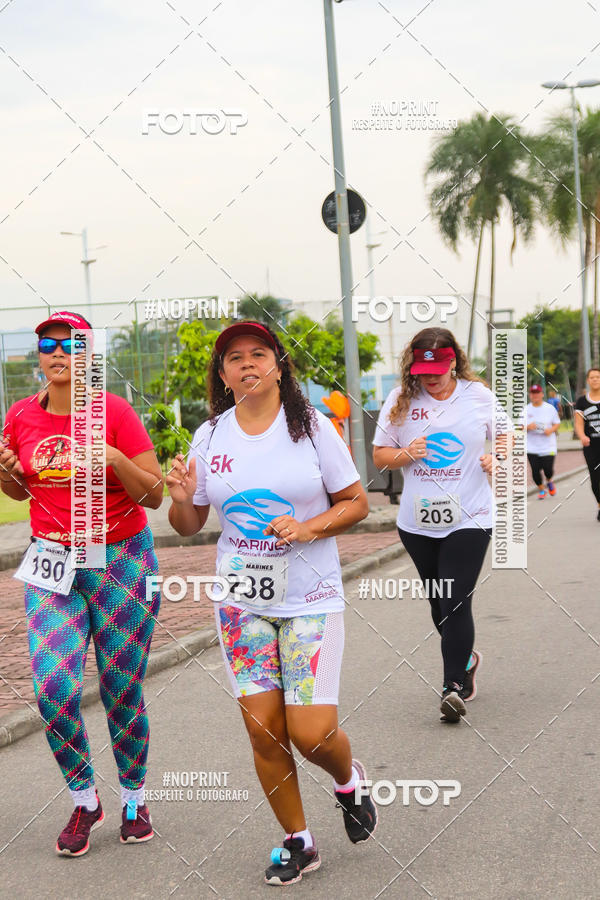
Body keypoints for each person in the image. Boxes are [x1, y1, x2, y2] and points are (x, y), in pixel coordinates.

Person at [167, 320, 377, 886]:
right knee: (263, 731)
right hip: (241, 601)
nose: (247, 364)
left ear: (279, 365)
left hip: (310, 597)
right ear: (223, 374)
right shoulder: (209, 437)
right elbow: (188, 525)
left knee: (311, 734)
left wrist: (309, 528)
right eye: (234, 358)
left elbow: (357, 503)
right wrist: (183, 499)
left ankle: (348, 780)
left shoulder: (311, 429)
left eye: (258, 353)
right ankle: (298, 841)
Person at [0, 311, 164, 856]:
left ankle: (135, 799)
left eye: (70, 343)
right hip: (51, 564)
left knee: (121, 687)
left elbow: (154, 496)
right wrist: (4, 472)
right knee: (53, 688)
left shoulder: (115, 412)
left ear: (88, 354)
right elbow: (20, 493)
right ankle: (86, 799)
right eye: (46, 343)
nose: (57, 350)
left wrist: (114, 457)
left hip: (121, 560)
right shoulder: (20, 416)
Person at [373, 327, 508, 724]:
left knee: (456, 598)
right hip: (417, 522)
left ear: (454, 361)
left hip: (470, 515)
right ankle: (466, 659)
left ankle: (453, 687)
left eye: (437, 368)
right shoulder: (401, 399)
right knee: (439, 604)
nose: (429, 377)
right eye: (421, 369)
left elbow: (504, 435)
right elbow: (380, 455)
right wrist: (404, 454)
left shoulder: (478, 395)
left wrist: (495, 459)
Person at [574, 367, 600, 521]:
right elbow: (578, 423)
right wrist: (582, 436)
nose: (595, 379)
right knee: (595, 479)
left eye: (597, 377)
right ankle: (599, 503)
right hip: (591, 446)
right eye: (592, 377)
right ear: (588, 381)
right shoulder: (582, 401)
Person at [525, 384, 560, 499]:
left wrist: (550, 430)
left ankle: (549, 481)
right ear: (530, 395)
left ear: (542, 394)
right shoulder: (526, 409)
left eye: (537, 393)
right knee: (535, 471)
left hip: (548, 446)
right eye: (533, 393)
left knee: (548, 470)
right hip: (532, 447)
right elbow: (519, 427)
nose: (535, 395)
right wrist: (528, 427)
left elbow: (557, 423)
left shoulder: (549, 408)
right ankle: (541, 489)